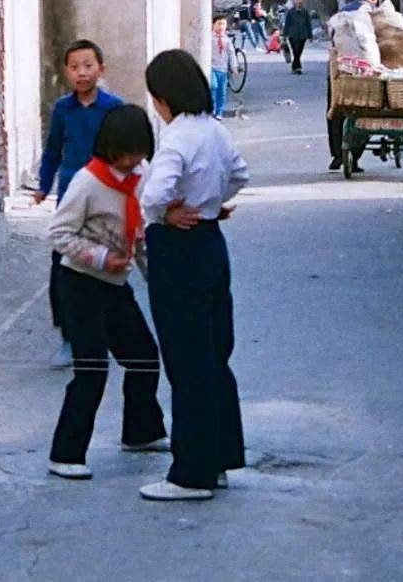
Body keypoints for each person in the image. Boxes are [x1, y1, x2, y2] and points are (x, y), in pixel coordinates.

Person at [138, 49, 249, 501]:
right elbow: (240, 174)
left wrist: (165, 213)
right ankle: (218, 457)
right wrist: (210, 204)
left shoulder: (177, 136)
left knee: (186, 361)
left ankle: (191, 473)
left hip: (178, 248)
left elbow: (156, 191)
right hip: (209, 242)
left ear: (163, 97)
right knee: (214, 354)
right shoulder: (216, 130)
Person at [47, 105, 179, 479]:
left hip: (115, 286)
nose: (132, 161)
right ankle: (66, 454)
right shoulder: (88, 182)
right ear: (109, 148)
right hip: (80, 283)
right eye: (125, 153)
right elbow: (58, 235)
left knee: (143, 357)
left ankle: (141, 432)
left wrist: (158, 280)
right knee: (92, 369)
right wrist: (101, 258)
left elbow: (141, 234)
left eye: (138, 152)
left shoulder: (140, 176)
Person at [35, 40, 123, 368]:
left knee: (104, 264)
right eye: (74, 67)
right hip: (70, 198)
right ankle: (68, 337)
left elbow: (126, 148)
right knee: (64, 266)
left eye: (88, 65)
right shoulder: (63, 109)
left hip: (105, 198)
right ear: (66, 72)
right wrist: (44, 185)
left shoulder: (113, 108)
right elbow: (53, 150)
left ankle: (107, 333)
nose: (81, 72)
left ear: (101, 69)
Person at [328, 0, 382, 172]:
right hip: (366, 71)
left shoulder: (341, 12)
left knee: (336, 110)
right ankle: (355, 157)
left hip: (341, 70)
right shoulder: (373, 14)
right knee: (366, 108)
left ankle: (337, 155)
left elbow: (332, 38)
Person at [210, 14, 238, 120]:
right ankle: (211, 109)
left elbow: (231, 54)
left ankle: (219, 111)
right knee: (213, 86)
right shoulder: (209, 38)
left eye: (223, 24)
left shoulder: (226, 40)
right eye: (218, 24)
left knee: (222, 91)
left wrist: (234, 66)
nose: (221, 27)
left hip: (223, 69)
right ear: (213, 25)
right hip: (212, 67)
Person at [284, 0, 313, 74]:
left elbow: (308, 23)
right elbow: (287, 23)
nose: (299, 2)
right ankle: (297, 67)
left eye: (300, 0)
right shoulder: (291, 12)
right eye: (297, 0)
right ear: (294, 1)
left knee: (299, 51)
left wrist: (310, 35)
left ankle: (295, 67)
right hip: (292, 34)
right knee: (295, 51)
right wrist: (284, 34)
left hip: (303, 34)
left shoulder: (305, 12)